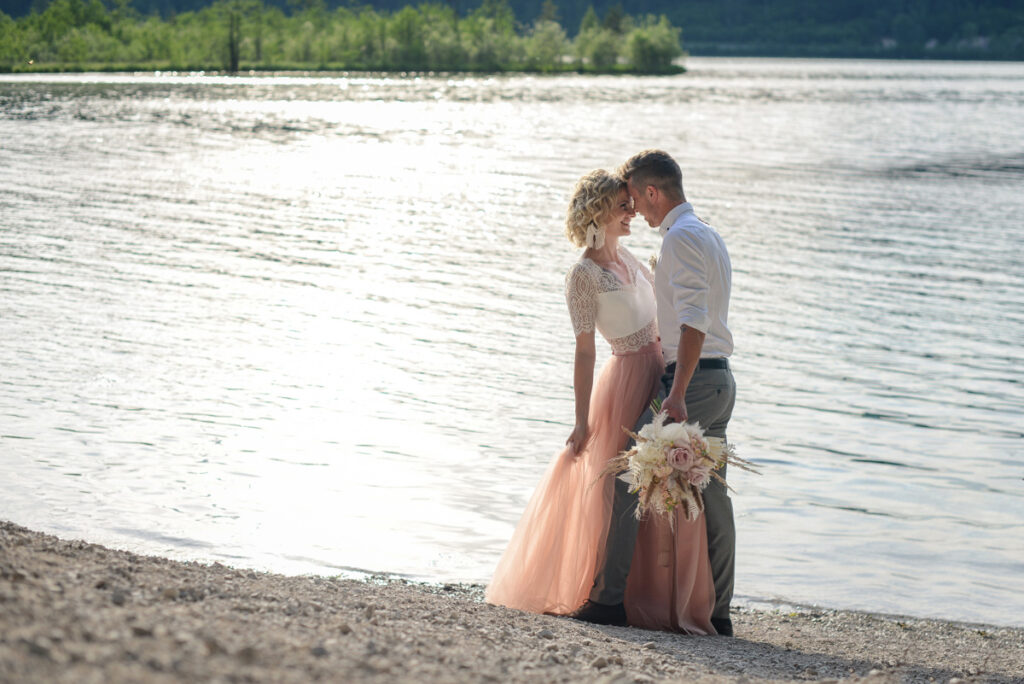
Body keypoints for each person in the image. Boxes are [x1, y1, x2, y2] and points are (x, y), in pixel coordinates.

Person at [485, 169, 716, 634]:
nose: (633, 211)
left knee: (658, 487)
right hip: (625, 380)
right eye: (622, 205)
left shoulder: (632, 258)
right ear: (598, 212)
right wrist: (580, 419)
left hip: (662, 377)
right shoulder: (582, 275)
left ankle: (652, 598)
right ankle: (608, 595)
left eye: (632, 203)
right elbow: (585, 350)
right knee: (623, 490)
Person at [571, 150, 737, 636]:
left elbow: (693, 323)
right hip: (721, 378)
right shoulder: (706, 232)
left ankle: (606, 602)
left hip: (694, 380)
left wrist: (678, 391)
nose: (636, 214)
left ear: (651, 193)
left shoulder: (680, 239)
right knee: (714, 497)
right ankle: (719, 612)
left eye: (636, 203)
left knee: (627, 476)